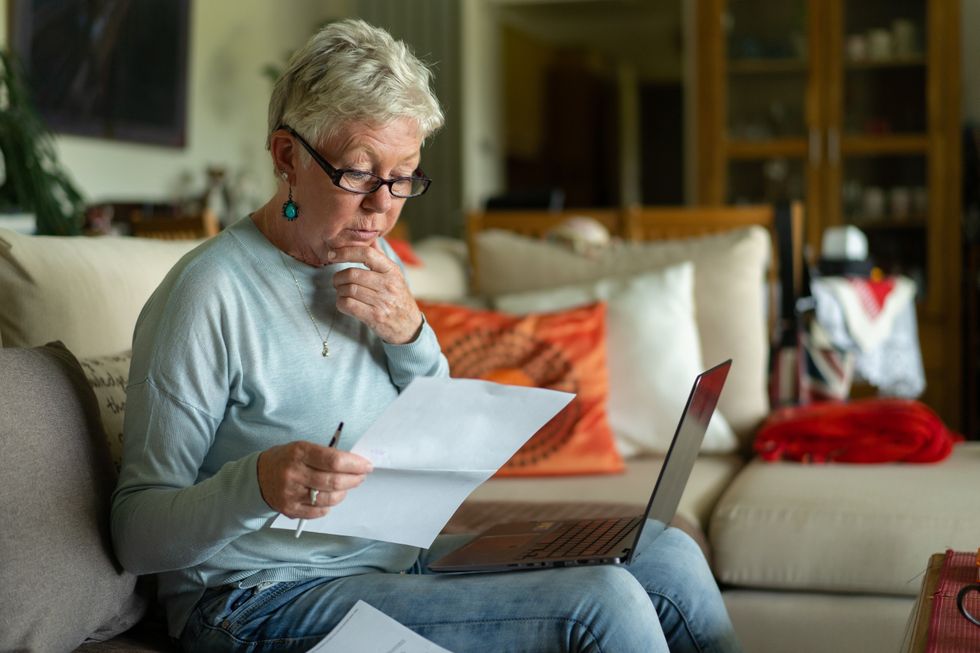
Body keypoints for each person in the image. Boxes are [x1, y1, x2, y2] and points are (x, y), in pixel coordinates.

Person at [111, 18, 742, 653]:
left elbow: (434, 424)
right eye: (359, 173)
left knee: (665, 554)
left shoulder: (371, 259)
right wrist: (254, 485)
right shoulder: (207, 294)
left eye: (404, 176)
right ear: (286, 158)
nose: (383, 206)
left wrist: (410, 334)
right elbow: (136, 531)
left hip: (395, 560)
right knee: (599, 606)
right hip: (256, 598)